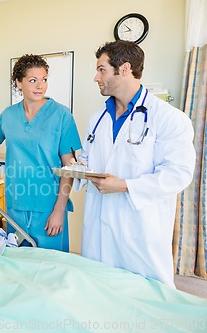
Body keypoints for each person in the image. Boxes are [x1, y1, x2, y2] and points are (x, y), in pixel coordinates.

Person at [74, 40, 195, 287]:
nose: (96, 77)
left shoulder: (169, 118)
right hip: (98, 223)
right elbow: (90, 156)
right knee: (99, 290)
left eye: (102, 69)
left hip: (138, 227)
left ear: (125, 68)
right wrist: (79, 167)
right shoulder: (98, 118)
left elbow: (178, 174)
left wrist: (125, 185)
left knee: (144, 297)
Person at [0, 54, 81, 251]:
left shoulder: (62, 115)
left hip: (48, 203)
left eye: (44, 79)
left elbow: (68, 167)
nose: (40, 86)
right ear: (18, 83)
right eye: (32, 80)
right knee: (19, 261)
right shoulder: (9, 115)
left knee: (52, 265)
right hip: (16, 201)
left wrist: (58, 210)